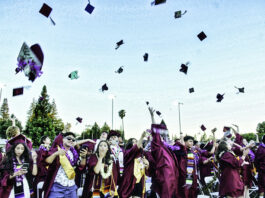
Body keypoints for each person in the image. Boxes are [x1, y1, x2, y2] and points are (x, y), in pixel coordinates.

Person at [42, 132, 80, 198]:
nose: (71, 140)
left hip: (71, 186)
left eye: (73, 140)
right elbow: (46, 161)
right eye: (69, 138)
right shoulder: (56, 149)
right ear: (63, 139)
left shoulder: (74, 153)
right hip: (58, 186)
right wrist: (56, 153)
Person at [118, 132, 149, 198]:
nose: (137, 143)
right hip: (129, 181)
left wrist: (147, 164)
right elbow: (134, 149)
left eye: (137, 141)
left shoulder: (143, 156)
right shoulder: (127, 153)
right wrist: (141, 137)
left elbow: (147, 172)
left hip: (139, 182)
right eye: (134, 142)